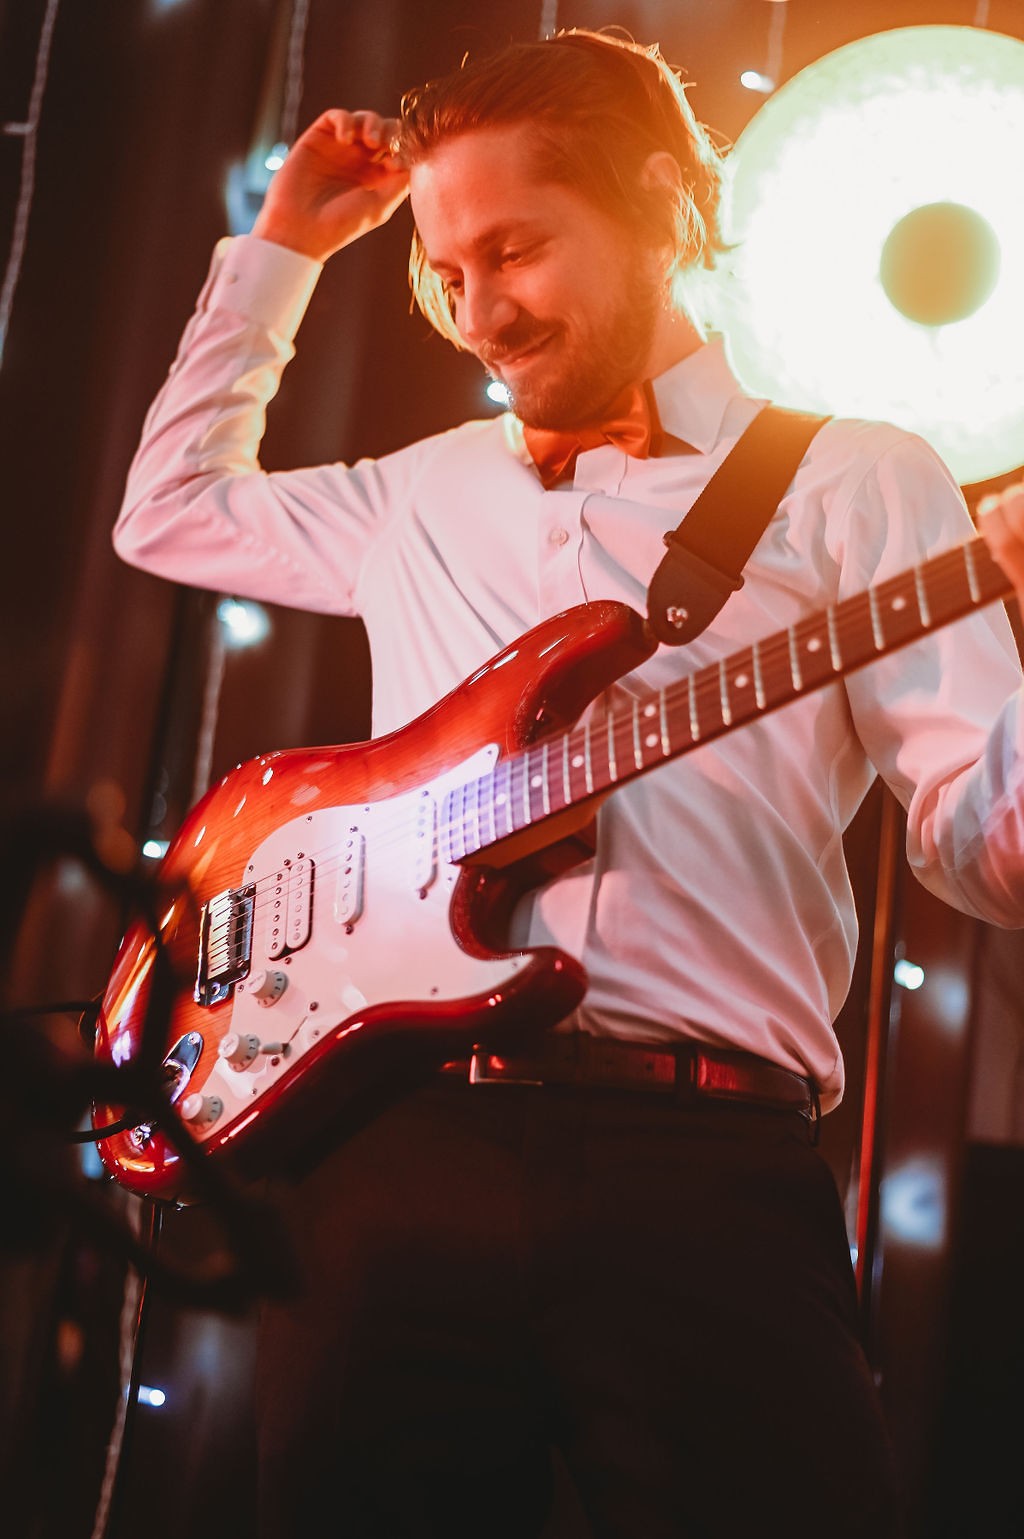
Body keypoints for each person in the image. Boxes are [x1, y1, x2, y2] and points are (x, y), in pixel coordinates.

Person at [112, 26, 1024, 1539]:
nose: (479, 312)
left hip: (708, 1169)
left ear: (661, 202)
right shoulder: (421, 492)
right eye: (448, 274)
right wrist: (284, 249)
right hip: (391, 1161)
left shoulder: (862, 477)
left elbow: (973, 842)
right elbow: (172, 512)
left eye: (515, 249)